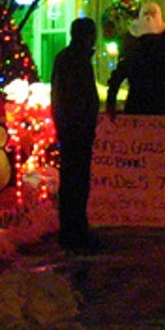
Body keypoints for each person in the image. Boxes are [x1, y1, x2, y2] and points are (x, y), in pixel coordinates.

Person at [49, 16, 101, 251]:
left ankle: (72, 229)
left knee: (72, 181)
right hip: (76, 129)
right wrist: (82, 123)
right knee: (76, 182)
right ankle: (74, 231)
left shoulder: (66, 58)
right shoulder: (77, 61)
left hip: (70, 127)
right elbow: (76, 96)